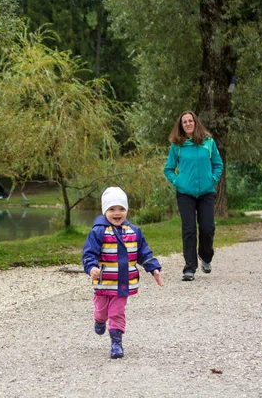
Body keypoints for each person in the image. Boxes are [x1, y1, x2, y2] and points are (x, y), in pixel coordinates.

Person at [82, 187, 164, 359]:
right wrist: (91, 268)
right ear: (105, 211)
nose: (117, 213)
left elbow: (143, 252)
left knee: (117, 312)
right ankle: (99, 320)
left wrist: (153, 268)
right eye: (112, 209)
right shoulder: (98, 231)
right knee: (102, 312)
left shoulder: (134, 231)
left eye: (121, 209)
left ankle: (116, 342)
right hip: (104, 282)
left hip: (123, 283)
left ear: (127, 210)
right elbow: (89, 253)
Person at [163, 110, 223, 282]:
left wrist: (213, 179)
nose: (188, 124)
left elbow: (218, 164)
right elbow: (168, 169)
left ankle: (206, 256)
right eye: (184, 122)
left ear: (196, 123)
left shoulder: (208, 143)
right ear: (181, 126)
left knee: (207, 228)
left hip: (206, 192)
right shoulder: (177, 146)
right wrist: (178, 181)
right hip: (185, 193)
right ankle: (189, 268)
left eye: (190, 121)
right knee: (189, 229)